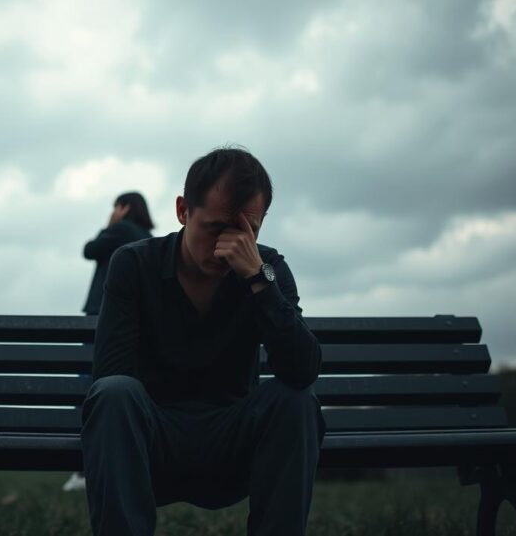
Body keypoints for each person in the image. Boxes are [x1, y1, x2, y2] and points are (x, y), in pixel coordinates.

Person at [80, 147, 325, 535]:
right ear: (183, 211)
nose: (227, 245)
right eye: (215, 227)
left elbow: (302, 370)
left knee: (295, 400)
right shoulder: (135, 263)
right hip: (153, 440)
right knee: (114, 393)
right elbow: (111, 374)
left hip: (232, 441)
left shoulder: (268, 270)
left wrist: (258, 282)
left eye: (247, 231)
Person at [64, 191, 155, 492]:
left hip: (101, 315)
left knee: (88, 388)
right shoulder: (147, 237)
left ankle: (84, 469)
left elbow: (89, 250)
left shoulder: (119, 229)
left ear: (124, 207)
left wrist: (107, 225)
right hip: (136, 319)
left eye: (116, 206)